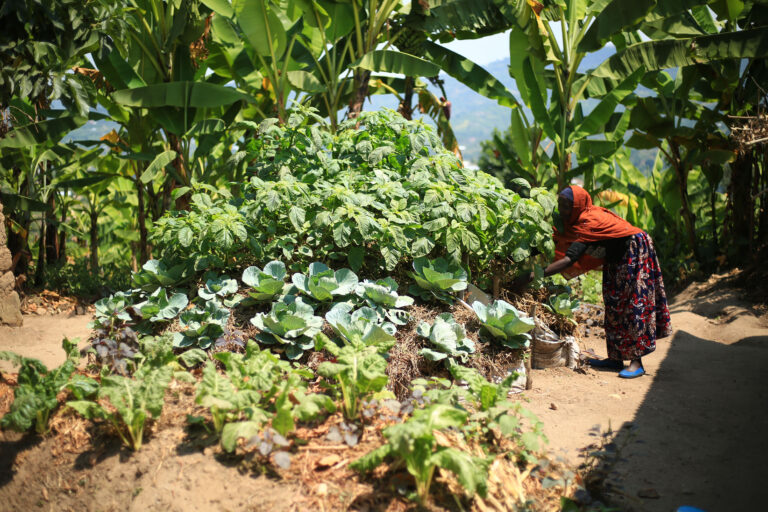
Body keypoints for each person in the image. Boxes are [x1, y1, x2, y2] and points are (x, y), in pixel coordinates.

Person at [516, 185, 672, 378]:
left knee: (633, 304)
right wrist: (518, 255)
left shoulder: (588, 221)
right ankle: (615, 358)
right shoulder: (572, 221)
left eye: (566, 206)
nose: (562, 211)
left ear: (577, 206)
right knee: (613, 301)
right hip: (616, 255)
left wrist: (532, 277)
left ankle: (636, 362)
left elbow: (569, 259)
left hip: (634, 250)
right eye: (560, 205)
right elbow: (551, 240)